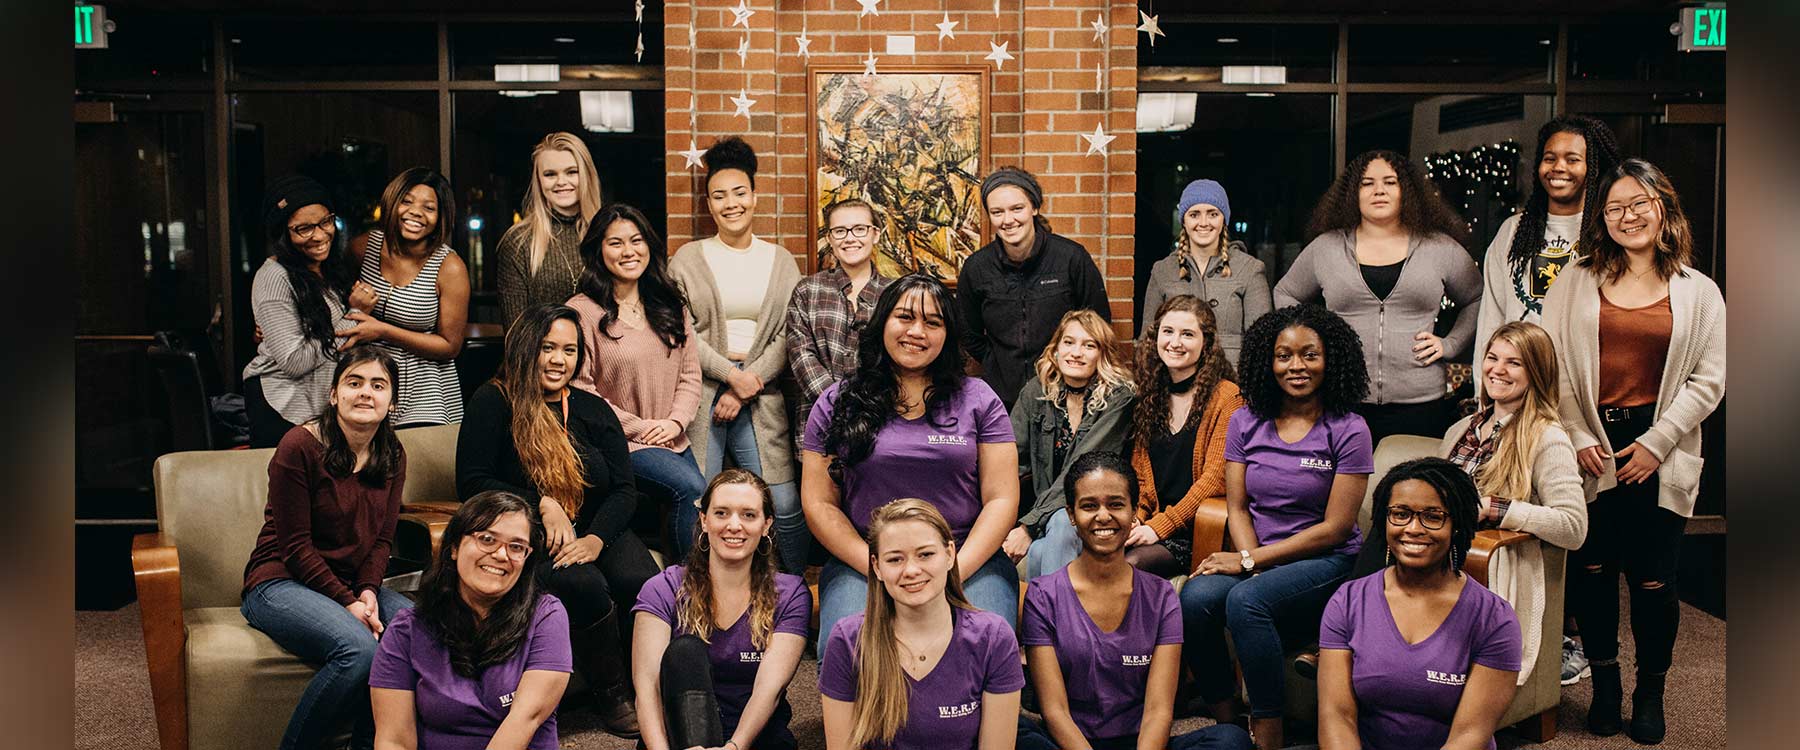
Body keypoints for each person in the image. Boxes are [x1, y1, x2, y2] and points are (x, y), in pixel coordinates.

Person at [1543, 158, 1726, 744]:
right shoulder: (1574, 279)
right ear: (1603, 218)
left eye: (1639, 204)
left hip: (1660, 445)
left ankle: (1650, 694)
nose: (1628, 216)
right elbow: (1556, 366)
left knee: (1654, 580)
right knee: (1593, 572)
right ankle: (1604, 687)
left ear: (1663, 210)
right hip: (1588, 445)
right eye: (1616, 207)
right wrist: (1576, 436)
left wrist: (1656, 442)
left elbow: (1709, 379)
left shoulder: (1700, 292)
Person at [455, 303, 660, 738]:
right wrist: (541, 503)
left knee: (644, 582)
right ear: (527, 348)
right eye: (547, 348)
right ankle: (612, 692)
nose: (557, 360)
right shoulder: (494, 401)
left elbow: (624, 488)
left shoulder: (591, 407)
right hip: (528, 532)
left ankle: (655, 688)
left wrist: (597, 540)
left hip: (599, 523)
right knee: (583, 583)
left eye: (569, 350)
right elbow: (473, 483)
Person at [1180, 304, 1373, 750]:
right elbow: (1239, 507)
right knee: (1195, 598)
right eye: (1283, 355)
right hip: (1261, 557)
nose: (1296, 366)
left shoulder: (1349, 428)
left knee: (1247, 601)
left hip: (1327, 560)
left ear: (1332, 360)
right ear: (1267, 362)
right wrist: (1253, 563)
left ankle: (1269, 730)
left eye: (1310, 355)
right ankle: (1226, 715)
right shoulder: (1246, 420)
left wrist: (1250, 563)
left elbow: (1336, 528)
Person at [802, 274, 1020, 655]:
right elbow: (819, 503)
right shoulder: (839, 401)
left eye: (933, 322)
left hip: (967, 557)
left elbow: (1001, 499)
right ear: (883, 322)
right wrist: (879, 569)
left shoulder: (980, 399)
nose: (917, 331)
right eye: (904, 317)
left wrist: (951, 572)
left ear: (947, 334)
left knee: (986, 645)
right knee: (846, 648)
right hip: (866, 561)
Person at [1017, 451, 1254, 750]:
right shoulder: (1043, 595)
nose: (1103, 516)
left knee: (1230, 740)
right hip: (1069, 743)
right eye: (1089, 506)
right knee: (1013, 732)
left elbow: (1158, 712)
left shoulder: (1161, 596)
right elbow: (1054, 712)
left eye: (1116, 504)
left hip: (1141, 743)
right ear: (1072, 516)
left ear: (1132, 514)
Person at [240, 345, 411, 750]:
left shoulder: (393, 453)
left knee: (412, 634)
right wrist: (349, 604)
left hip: (353, 584)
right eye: (354, 382)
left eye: (378, 385)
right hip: (280, 581)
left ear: (392, 401)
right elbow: (296, 546)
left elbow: (383, 539)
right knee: (358, 651)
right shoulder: (298, 446)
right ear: (334, 394)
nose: (365, 393)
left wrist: (368, 591)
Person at [1275, 150, 1482, 445]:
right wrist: (1314, 339)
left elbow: (1476, 299)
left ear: (1406, 192)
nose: (1379, 191)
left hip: (1422, 403)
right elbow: (1286, 292)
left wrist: (1450, 343)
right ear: (1352, 193)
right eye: (1367, 183)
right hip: (1343, 399)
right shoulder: (1326, 248)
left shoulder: (1440, 248)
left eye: (1390, 182)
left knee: (1413, 489)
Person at [667, 136, 806, 571]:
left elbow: (790, 334)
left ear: (755, 196)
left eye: (739, 193)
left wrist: (748, 383)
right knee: (699, 499)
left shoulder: (781, 260)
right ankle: (697, 594)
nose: (731, 204)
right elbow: (682, 331)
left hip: (761, 394)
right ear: (710, 204)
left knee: (781, 501)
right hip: (702, 392)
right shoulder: (687, 259)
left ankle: (794, 593)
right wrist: (731, 375)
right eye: (719, 196)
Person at [1316, 458, 1523, 750]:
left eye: (1433, 516)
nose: (1413, 528)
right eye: (1400, 514)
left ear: (1457, 524)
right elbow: (1337, 717)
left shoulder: (1494, 619)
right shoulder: (1347, 601)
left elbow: (1470, 735)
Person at [1440, 321, 1588, 686]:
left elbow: (1573, 527)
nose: (1498, 369)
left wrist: (1496, 508)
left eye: (1514, 363)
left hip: (1487, 553)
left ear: (1536, 372)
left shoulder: (1547, 437)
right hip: (1438, 539)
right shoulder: (1461, 429)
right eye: (1492, 358)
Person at [370, 491, 572, 750]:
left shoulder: (546, 616)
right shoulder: (407, 628)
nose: (501, 555)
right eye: (487, 539)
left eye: (516, 547)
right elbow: (393, 740)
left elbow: (525, 719)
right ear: (454, 547)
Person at [818, 499, 1025, 750]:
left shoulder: (993, 637)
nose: (911, 570)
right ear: (877, 567)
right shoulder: (847, 640)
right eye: (895, 559)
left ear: (949, 555)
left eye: (925, 554)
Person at [631, 469, 811, 750]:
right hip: (675, 738)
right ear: (704, 520)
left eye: (749, 515)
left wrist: (733, 747)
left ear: (767, 525)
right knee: (685, 651)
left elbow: (769, 691)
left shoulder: (790, 593)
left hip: (754, 737)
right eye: (722, 513)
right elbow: (647, 692)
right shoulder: (661, 588)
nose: (734, 525)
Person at [567, 203, 708, 556]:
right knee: (691, 488)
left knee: (702, 505)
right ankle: (686, 589)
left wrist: (675, 422)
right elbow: (581, 389)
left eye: (636, 240)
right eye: (616, 243)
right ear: (599, 251)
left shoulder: (668, 303)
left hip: (672, 436)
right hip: (621, 443)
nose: (629, 251)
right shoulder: (582, 310)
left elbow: (690, 375)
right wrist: (641, 427)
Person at [1472, 116, 1621, 372]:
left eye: (1572, 159)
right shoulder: (1513, 231)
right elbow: (1492, 317)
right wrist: (1483, 391)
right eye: (1550, 158)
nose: (1558, 167)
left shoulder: (1607, 230)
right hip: (1518, 381)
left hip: (1580, 384)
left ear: (1593, 168)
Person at [956, 165, 1111, 405]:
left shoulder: (1071, 258)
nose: (1008, 220)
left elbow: (1098, 324)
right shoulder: (977, 268)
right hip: (1002, 399)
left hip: (1064, 396)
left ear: (1034, 208)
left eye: (1017, 208)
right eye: (997, 212)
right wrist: (995, 361)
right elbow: (967, 332)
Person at [243, 174, 378, 447]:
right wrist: (353, 315)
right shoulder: (274, 277)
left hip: (320, 412)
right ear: (283, 233)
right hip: (284, 410)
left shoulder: (326, 270)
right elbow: (294, 361)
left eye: (325, 222)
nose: (319, 235)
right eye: (303, 228)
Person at [1007, 309, 1137, 580]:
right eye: (1069, 342)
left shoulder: (1118, 398)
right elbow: (1008, 460)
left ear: (1102, 355)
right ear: (1055, 349)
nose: (1076, 352)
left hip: (1095, 508)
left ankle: (1050, 620)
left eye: (1089, 345)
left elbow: (1081, 473)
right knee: (1043, 549)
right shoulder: (1036, 392)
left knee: (1062, 524)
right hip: (1049, 515)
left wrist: (1029, 527)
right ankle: (1055, 619)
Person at [1126, 295, 1245, 579]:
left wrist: (1159, 527)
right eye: (1168, 332)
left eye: (1187, 334)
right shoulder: (1149, 394)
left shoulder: (1227, 397)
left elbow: (1215, 479)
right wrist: (1136, 519)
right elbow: (1141, 478)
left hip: (1198, 531)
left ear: (1207, 343)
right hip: (1153, 525)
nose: (1175, 342)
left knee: (1128, 565)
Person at [347, 167, 470, 427]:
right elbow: (327, 293)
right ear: (392, 203)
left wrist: (382, 330)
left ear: (441, 217)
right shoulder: (364, 247)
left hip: (425, 392)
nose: (416, 212)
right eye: (407, 201)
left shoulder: (450, 267)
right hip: (368, 384)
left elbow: (450, 346)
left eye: (429, 207)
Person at [786, 198, 894, 454]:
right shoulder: (808, 290)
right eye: (840, 231)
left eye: (859, 229)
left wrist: (869, 407)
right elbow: (801, 356)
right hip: (820, 428)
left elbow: (898, 360)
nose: (850, 238)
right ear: (830, 239)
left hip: (883, 427)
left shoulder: (895, 293)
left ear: (875, 234)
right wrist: (841, 404)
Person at [1140, 179, 1272, 366]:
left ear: (1223, 219)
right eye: (1194, 214)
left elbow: (1262, 341)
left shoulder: (1249, 269)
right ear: (1184, 220)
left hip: (1232, 381)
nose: (1203, 223)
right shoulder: (1163, 270)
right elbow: (1148, 339)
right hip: (1175, 383)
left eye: (1212, 214)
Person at [498, 132, 603, 330]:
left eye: (571, 172)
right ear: (538, 181)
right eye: (550, 174)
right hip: (542, 359)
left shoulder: (607, 233)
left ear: (586, 175)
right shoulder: (518, 241)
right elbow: (516, 332)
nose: (561, 182)